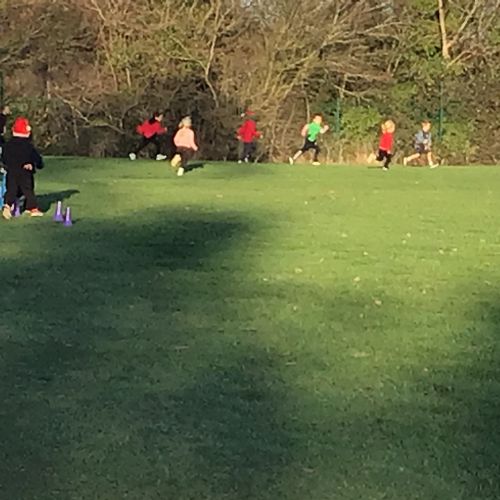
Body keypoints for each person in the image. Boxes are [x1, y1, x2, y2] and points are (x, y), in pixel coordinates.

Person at [2, 117, 44, 220]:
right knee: (28, 190)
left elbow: (4, 158)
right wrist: (38, 165)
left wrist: (7, 166)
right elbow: (36, 158)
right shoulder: (28, 146)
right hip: (25, 172)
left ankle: (7, 206)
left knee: (11, 190)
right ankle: (32, 208)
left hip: (11, 172)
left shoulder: (7, 145)